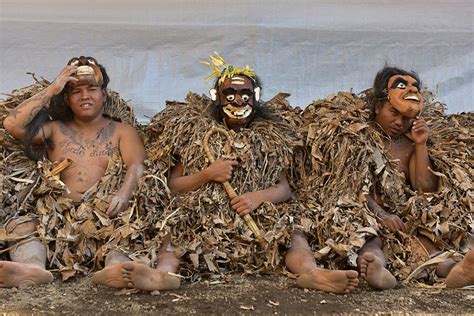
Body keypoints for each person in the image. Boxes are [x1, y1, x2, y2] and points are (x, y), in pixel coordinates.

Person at [158, 53, 358, 293]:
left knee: (293, 233)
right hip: (206, 216)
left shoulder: (269, 138)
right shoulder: (195, 135)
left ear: (256, 97)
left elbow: (284, 188)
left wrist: (258, 197)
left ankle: (311, 272)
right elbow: (175, 185)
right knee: (175, 232)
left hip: (260, 215)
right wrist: (207, 174)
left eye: (246, 95)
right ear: (216, 98)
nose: (239, 102)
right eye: (230, 95)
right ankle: (163, 274)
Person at [0, 56, 178, 291]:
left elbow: (137, 165)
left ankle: (117, 270)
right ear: (66, 97)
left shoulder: (122, 131)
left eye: (92, 89)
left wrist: (123, 196)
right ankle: (33, 268)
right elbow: (12, 125)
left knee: (129, 233)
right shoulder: (54, 130)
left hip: (108, 217)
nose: (85, 96)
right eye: (76, 91)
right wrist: (53, 87)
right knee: (21, 226)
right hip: (59, 223)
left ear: (104, 94)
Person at [358, 66, 474, 289]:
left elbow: (424, 187)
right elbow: (352, 187)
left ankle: (454, 271)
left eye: (406, 117)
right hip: (369, 218)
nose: (400, 123)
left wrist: (420, 145)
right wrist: (381, 215)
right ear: (377, 106)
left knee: (427, 245)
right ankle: (379, 271)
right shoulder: (358, 138)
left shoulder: (408, 144)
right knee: (370, 243)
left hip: (404, 222)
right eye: (394, 113)